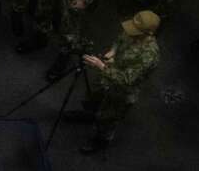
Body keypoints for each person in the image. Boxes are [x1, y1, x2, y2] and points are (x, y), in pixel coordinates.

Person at [65, 10, 160, 154]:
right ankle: (90, 115)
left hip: (122, 90)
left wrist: (101, 66)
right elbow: (119, 40)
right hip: (108, 76)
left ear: (148, 33)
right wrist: (113, 52)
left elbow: (126, 80)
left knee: (108, 117)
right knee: (94, 98)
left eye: (135, 30)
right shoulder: (132, 31)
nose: (130, 31)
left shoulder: (149, 55)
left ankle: (101, 141)